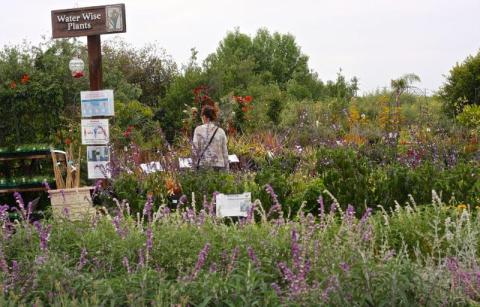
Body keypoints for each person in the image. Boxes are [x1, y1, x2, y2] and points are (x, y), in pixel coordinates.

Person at [192, 104, 229, 171]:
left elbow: (195, 149)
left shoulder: (198, 130)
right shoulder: (221, 131)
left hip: (203, 165)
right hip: (219, 165)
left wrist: (194, 167)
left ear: (204, 117)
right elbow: (225, 152)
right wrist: (227, 169)